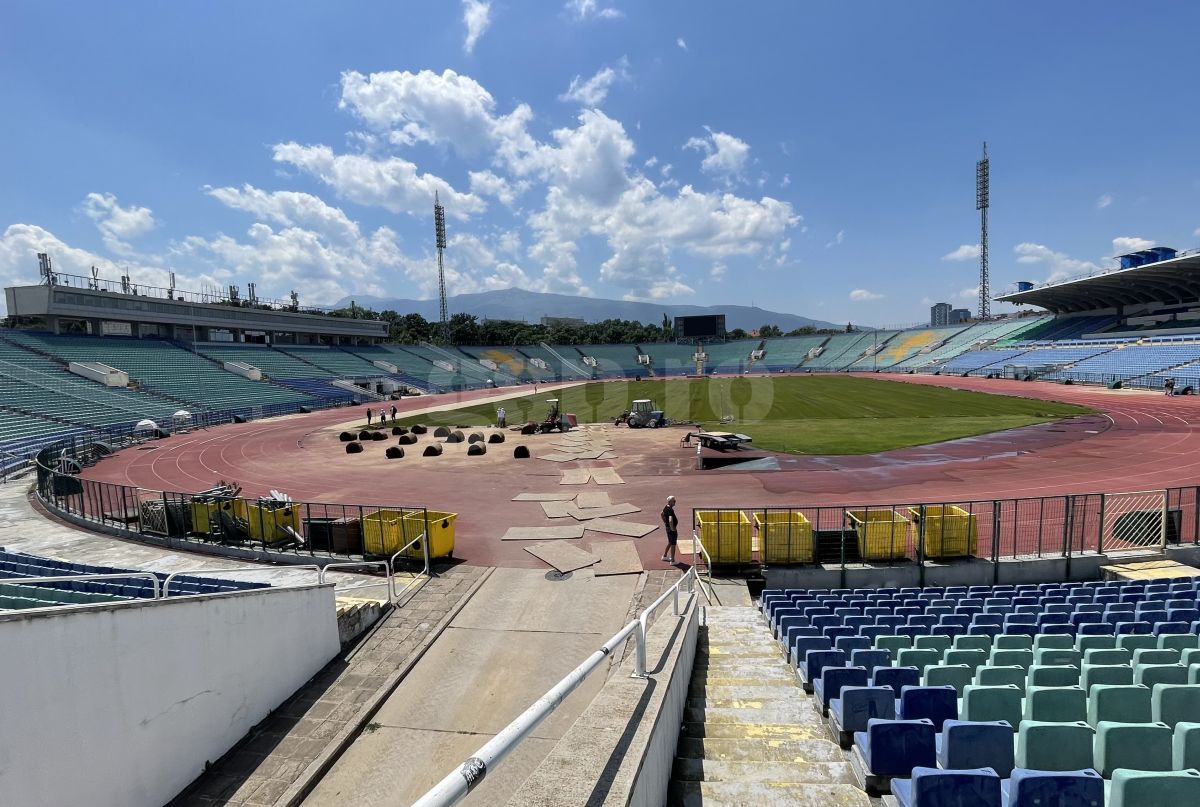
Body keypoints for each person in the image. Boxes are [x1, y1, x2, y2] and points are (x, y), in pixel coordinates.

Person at [661, 495, 679, 564]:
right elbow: (671, 520)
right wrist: (673, 529)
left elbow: (661, 514)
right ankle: (672, 560)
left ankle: (665, 556)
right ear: (670, 502)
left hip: (668, 529)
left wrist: (666, 524)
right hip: (671, 530)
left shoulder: (666, 507)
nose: (675, 502)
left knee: (670, 542)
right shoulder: (670, 510)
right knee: (673, 544)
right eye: (674, 501)